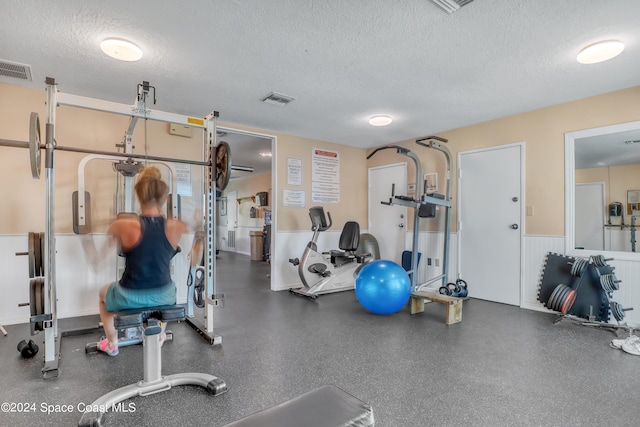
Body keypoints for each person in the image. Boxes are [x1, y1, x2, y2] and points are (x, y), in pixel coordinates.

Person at [97, 166, 186, 356]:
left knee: (102, 295)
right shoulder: (176, 226)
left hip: (130, 295)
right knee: (170, 290)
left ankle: (112, 344)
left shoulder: (123, 224)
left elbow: (97, 260)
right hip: (165, 295)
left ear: (139, 195)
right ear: (164, 197)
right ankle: (159, 334)